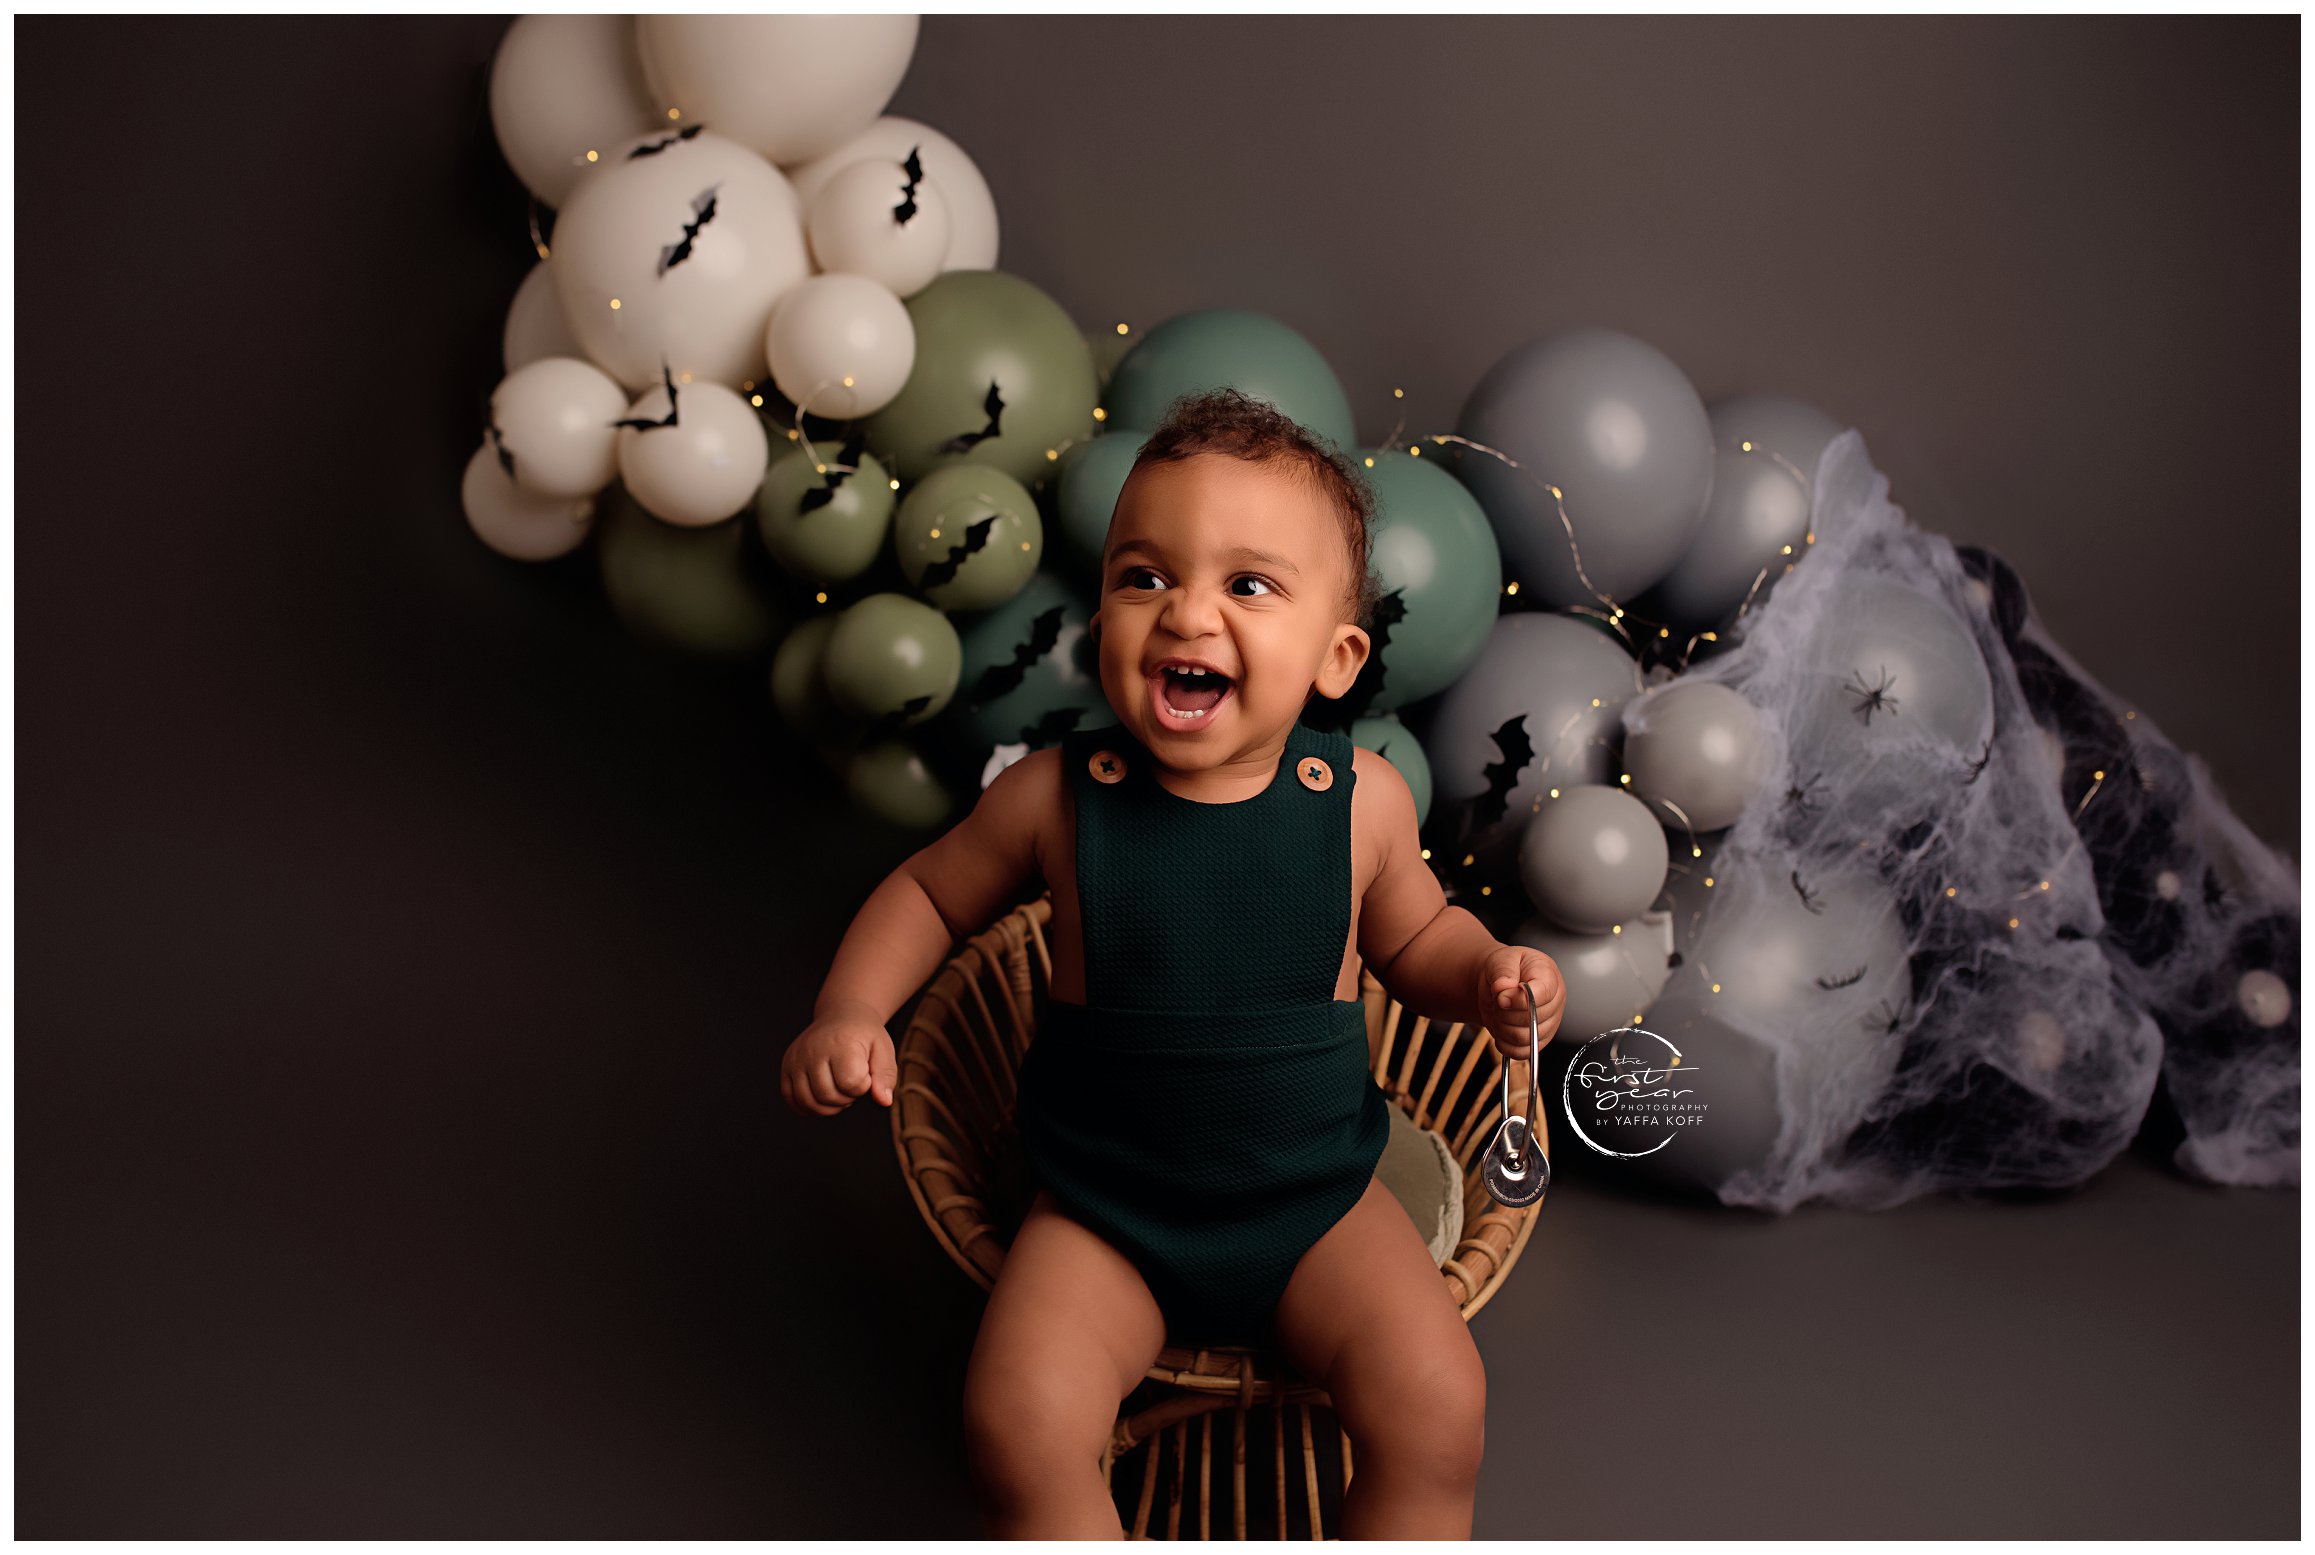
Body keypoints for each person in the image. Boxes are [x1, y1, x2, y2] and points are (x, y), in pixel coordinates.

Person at [781, 387, 1566, 1538]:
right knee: (1016, 1419)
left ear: (1335, 657)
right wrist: (850, 1007)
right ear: (1102, 613)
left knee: (1439, 1406)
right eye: (1143, 576)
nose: (1185, 614)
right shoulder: (1058, 796)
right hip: (1106, 1211)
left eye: (1247, 585)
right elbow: (923, 890)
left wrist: (1490, 971)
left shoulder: (1357, 805)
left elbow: (1412, 940)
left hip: (1315, 1201)